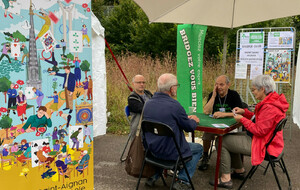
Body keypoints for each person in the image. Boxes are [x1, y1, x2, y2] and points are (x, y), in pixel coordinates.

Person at [209, 75, 288, 189]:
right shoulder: (272, 101)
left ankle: (225, 179)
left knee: (222, 141)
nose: (253, 92)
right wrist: (244, 112)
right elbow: (259, 119)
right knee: (230, 136)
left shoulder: (269, 107)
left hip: (264, 145)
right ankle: (239, 170)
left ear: (262, 89)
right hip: (267, 141)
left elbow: (259, 130)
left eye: (254, 89)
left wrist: (242, 119)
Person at [143, 73, 203, 189]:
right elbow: (189, 128)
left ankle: (155, 174)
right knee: (198, 148)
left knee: (162, 140)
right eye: (176, 86)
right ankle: (183, 180)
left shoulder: (147, 104)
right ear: (172, 89)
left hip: (151, 151)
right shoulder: (175, 106)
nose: (176, 88)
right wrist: (194, 120)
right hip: (171, 153)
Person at [199, 75, 242, 171]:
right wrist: (213, 96)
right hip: (215, 125)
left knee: (227, 138)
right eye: (216, 84)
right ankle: (205, 157)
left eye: (221, 84)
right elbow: (206, 111)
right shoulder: (213, 94)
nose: (219, 87)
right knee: (207, 134)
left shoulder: (234, 95)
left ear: (228, 85)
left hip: (230, 125)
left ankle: (232, 161)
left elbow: (241, 112)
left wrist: (224, 114)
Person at [128, 75, 153, 139]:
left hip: (151, 122)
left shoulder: (148, 93)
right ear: (133, 84)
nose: (142, 84)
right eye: (139, 82)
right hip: (140, 126)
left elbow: (156, 103)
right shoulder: (132, 98)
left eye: (143, 82)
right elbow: (143, 109)